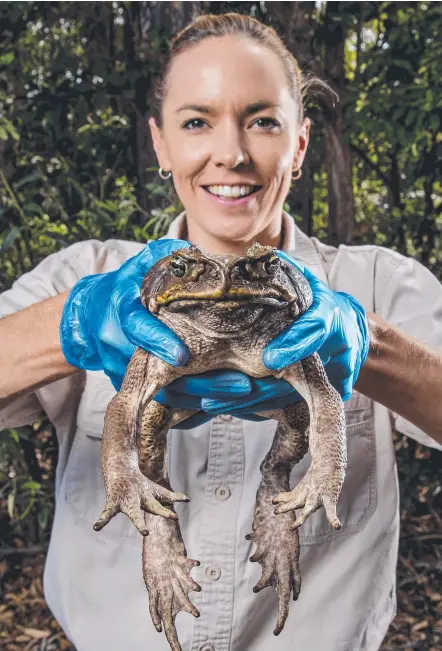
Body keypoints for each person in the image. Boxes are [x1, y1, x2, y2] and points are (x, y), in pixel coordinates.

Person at [0, 12, 441, 651]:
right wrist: (72, 321)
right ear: (161, 144)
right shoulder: (89, 273)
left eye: (263, 121)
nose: (230, 152)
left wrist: (367, 343)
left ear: (299, 141)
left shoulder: (382, 284)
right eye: (196, 121)